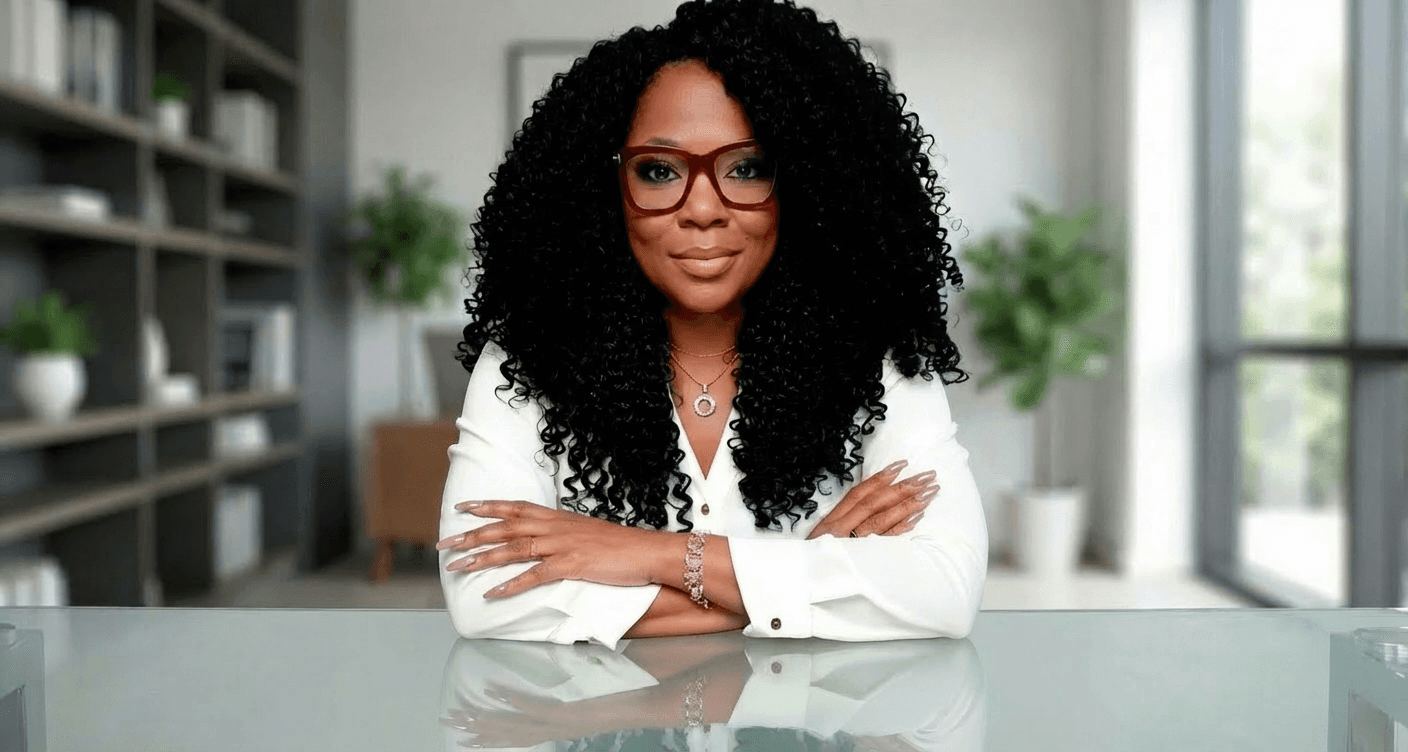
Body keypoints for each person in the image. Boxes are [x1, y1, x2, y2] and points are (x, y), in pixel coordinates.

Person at [437, 0, 987, 648]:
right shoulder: (525, 363)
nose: (703, 209)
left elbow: (946, 588)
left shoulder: (880, 360)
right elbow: (483, 597)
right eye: (659, 171)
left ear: (806, 185)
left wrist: (650, 554)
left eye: (747, 168)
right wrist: (797, 570)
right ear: (604, 186)